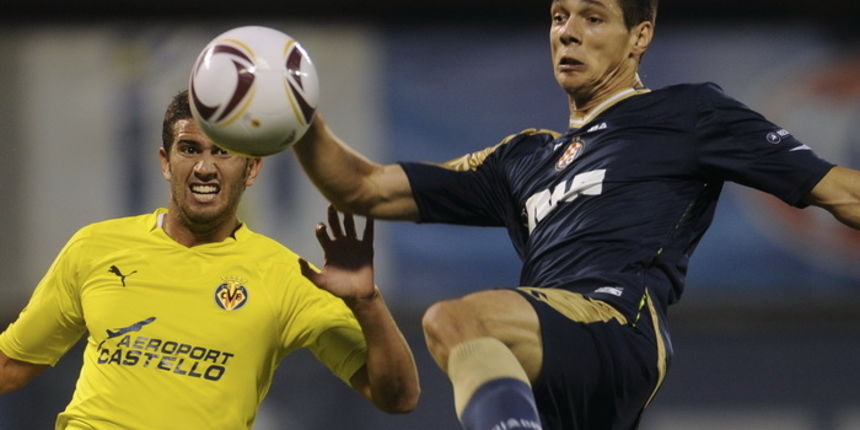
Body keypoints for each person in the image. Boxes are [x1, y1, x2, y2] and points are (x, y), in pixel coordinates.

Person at [291, 0, 860, 429]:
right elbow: (363, 187)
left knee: (460, 321)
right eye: (559, 16)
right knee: (472, 331)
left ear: (640, 35)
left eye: (592, 17)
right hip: (552, 360)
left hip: (618, 327)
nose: (568, 31)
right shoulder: (521, 158)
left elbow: (840, 191)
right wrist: (294, 111)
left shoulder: (687, 113)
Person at [0, 90, 420, 429]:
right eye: (189, 149)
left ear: (252, 168)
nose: (204, 166)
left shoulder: (288, 277)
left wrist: (367, 303)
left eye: (223, 151)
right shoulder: (95, 247)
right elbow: (11, 366)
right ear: (166, 162)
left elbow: (398, 397)